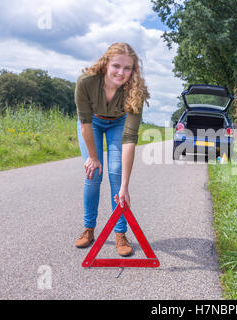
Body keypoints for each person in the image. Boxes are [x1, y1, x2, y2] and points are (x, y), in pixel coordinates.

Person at [74, 42, 150, 256]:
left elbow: (129, 139)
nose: (121, 73)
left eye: (128, 68)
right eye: (116, 66)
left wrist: (125, 185)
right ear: (106, 63)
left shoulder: (136, 91)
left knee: (117, 178)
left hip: (119, 123)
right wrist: (93, 157)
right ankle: (89, 229)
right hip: (93, 124)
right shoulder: (86, 82)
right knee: (93, 175)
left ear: (133, 70)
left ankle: (120, 233)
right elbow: (85, 123)